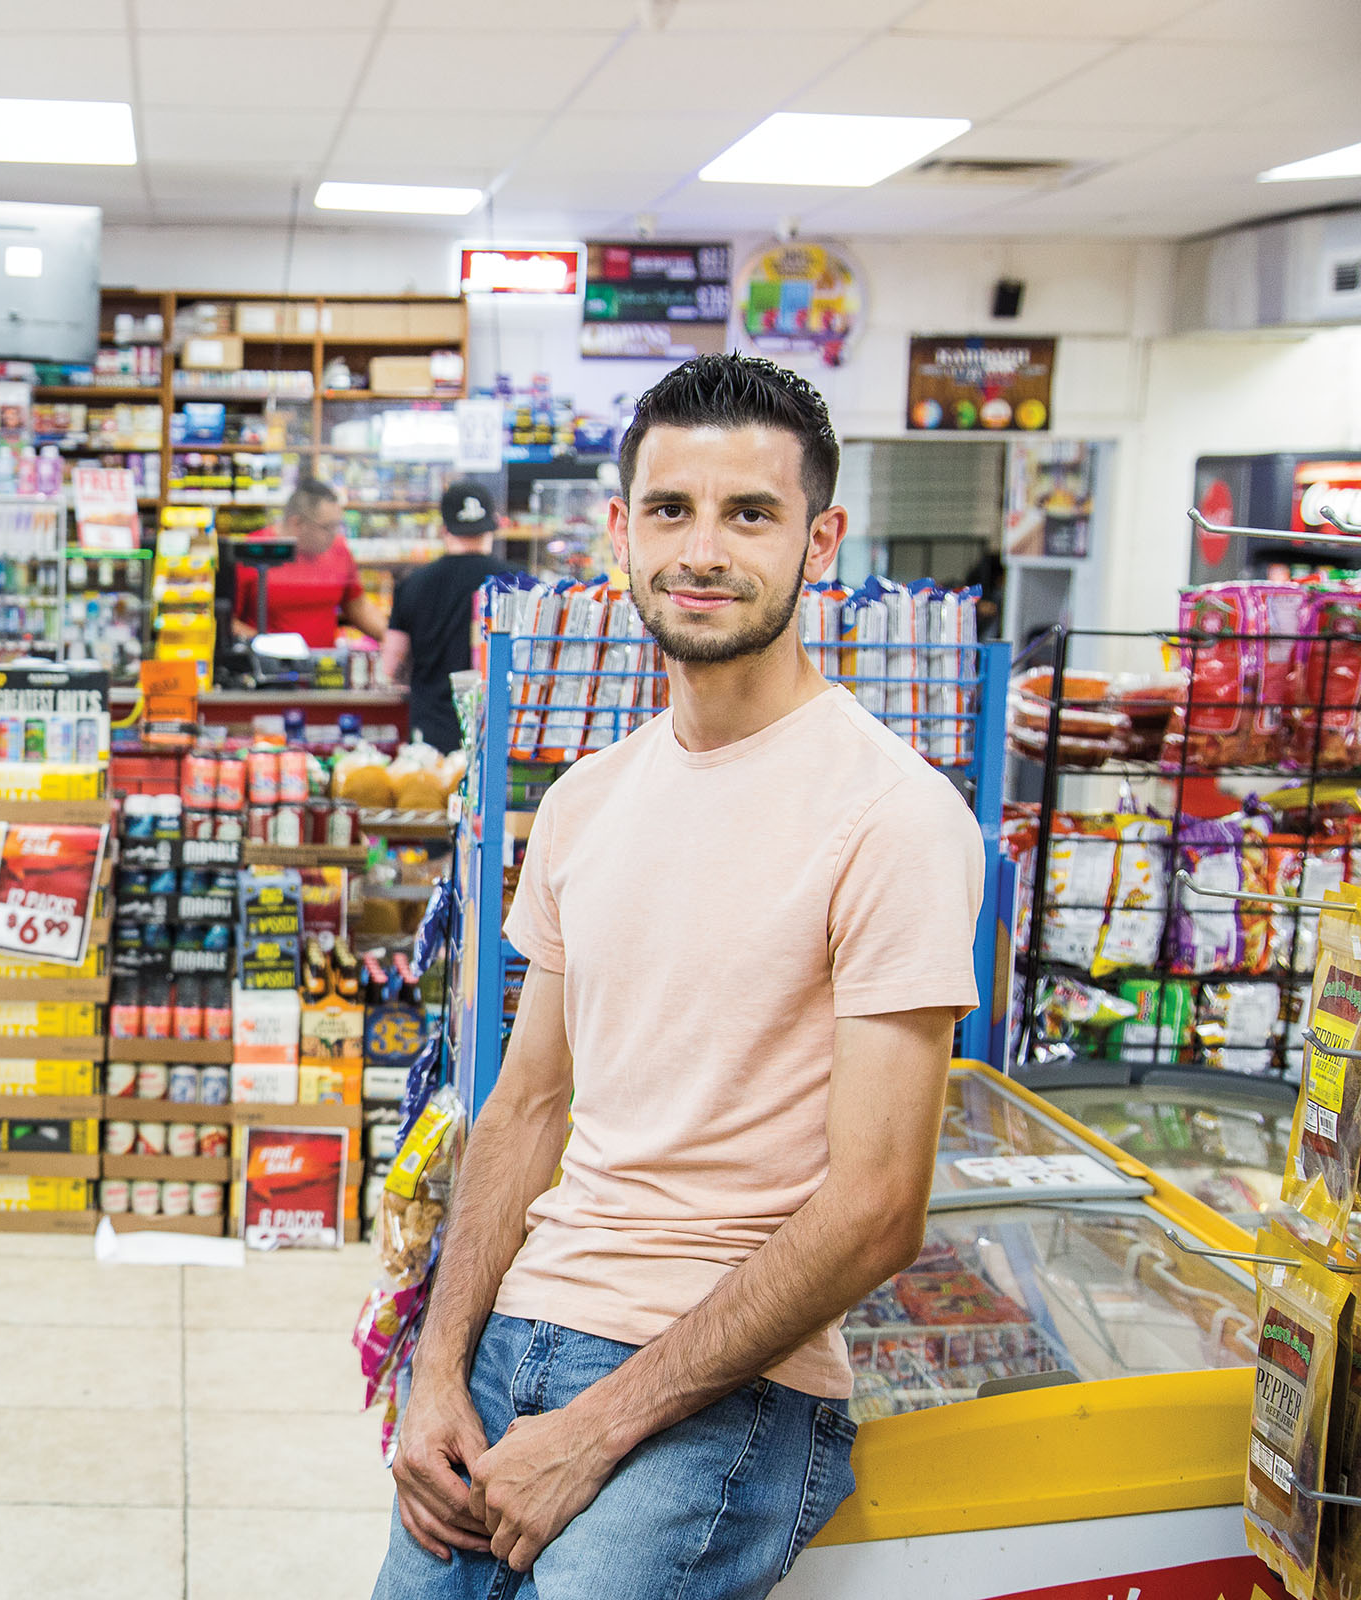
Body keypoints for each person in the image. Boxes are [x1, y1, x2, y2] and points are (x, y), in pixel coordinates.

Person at [375, 354, 984, 1599]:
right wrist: (436, 1369)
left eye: (748, 513)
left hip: (722, 1385)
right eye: (671, 510)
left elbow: (877, 1206)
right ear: (618, 532)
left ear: (820, 540)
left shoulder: (898, 818)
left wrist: (598, 1428)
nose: (702, 549)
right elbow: (526, 1105)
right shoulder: (587, 800)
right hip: (514, 1340)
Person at [382, 480, 523, 753]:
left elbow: (390, 666)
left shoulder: (413, 583)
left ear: (444, 529)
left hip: (431, 737)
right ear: (493, 526)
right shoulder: (518, 582)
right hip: (496, 735)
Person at [231, 476, 386, 648]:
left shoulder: (339, 550)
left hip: (326, 669)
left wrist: (392, 637)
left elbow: (357, 605)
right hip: (271, 670)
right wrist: (269, 647)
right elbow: (228, 623)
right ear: (297, 523)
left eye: (338, 526)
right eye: (327, 527)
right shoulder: (253, 552)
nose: (334, 534)